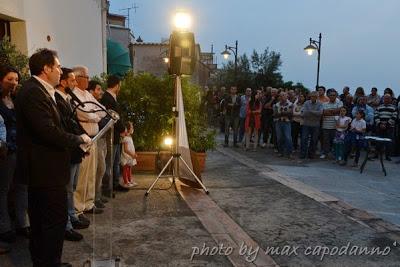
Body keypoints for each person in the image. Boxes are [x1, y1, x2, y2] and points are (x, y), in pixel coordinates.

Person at [16, 48, 91, 267]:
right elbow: (47, 130)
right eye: (57, 66)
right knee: (51, 221)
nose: (60, 70)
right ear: (46, 68)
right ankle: (49, 262)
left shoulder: (40, 90)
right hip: (44, 170)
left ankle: (47, 261)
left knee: (46, 221)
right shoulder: (33, 92)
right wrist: (78, 140)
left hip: (47, 168)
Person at [55, 68, 89, 242]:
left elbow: (74, 123)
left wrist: (84, 140)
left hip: (75, 149)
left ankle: (72, 216)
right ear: (63, 82)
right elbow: (65, 126)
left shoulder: (67, 99)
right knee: (67, 189)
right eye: (73, 80)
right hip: (67, 150)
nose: (75, 84)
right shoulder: (56, 99)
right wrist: (79, 138)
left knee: (72, 188)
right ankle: (66, 224)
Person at [0, 66, 30, 245]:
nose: (14, 83)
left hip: (21, 148)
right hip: (6, 151)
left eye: (16, 80)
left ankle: (22, 223)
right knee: (3, 190)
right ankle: (4, 227)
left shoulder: (17, 100)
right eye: (10, 79)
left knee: (22, 187)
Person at [73, 66, 107, 217]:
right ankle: (78, 207)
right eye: (86, 77)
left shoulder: (87, 94)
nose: (88, 80)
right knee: (82, 175)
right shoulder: (74, 94)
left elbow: (102, 110)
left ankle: (89, 202)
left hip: (94, 137)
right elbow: (85, 113)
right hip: (83, 137)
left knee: (91, 173)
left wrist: (94, 114)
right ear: (78, 77)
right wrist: (94, 115)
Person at [100, 75, 126, 192]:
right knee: (109, 162)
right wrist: (122, 129)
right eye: (119, 85)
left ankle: (114, 183)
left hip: (115, 134)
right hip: (111, 134)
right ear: (117, 85)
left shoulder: (111, 97)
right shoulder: (107, 98)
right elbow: (114, 116)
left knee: (115, 161)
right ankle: (108, 187)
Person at [88, 80, 108, 208]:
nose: (101, 92)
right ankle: (94, 197)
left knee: (101, 168)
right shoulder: (88, 100)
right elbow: (96, 114)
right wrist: (99, 116)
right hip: (95, 138)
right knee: (99, 168)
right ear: (91, 91)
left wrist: (100, 115)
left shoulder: (95, 102)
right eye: (98, 89)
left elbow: (103, 113)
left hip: (102, 137)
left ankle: (97, 195)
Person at [300, 91, 323, 160]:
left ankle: (311, 155)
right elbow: (303, 113)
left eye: (315, 96)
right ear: (310, 97)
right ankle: (303, 154)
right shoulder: (306, 103)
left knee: (314, 140)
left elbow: (320, 113)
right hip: (306, 124)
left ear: (317, 97)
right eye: (312, 96)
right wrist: (314, 113)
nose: (313, 98)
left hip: (315, 125)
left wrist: (310, 111)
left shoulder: (320, 104)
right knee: (304, 139)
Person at [320, 89, 343, 159]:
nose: (332, 96)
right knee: (325, 141)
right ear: (328, 96)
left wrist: (329, 112)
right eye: (331, 95)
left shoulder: (340, 103)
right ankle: (325, 153)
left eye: (334, 95)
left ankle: (335, 154)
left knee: (335, 141)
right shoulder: (324, 104)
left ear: (336, 96)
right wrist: (334, 111)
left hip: (335, 126)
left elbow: (340, 111)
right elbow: (323, 113)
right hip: (326, 125)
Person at [375, 94, 398, 161]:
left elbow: (394, 117)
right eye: (385, 98)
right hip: (380, 127)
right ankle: (376, 155)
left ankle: (387, 156)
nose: (386, 100)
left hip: (389, 127)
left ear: (390, 99)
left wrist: (386, 125)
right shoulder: (379, 107)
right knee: (378, 141)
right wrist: (380, 124)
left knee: (388, 142)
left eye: (388, 98)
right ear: (383, 99)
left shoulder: (394, 108)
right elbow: (376, 115)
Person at [273, 92, 294, 158]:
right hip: (278, 122)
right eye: (281, 96)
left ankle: (289, 153)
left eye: (283, 95)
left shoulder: (290, 104)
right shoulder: (276, 104)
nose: (282, 97)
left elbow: (291, 113)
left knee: (288, 138)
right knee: (279, 138)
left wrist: (281, 113)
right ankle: (280, 152)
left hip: (287, 122)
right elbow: (275, 114)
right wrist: (285, 113)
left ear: (286, 96)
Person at [120, 122, 137, 188]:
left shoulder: (129, 137)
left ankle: (130, 180)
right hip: (126, 156)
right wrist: (132, 154)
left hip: (130, 156)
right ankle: (126, 182)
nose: (133, 129)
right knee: (125, 169)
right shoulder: (126, 138)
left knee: (129, 168)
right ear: (127, 129)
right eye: (132, 127)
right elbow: (126, 149)